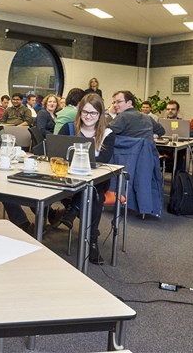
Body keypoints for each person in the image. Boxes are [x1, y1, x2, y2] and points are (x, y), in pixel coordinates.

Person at [57, 93, 115, 265]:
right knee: (93, 197)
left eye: (93, 113)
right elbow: (56, 154)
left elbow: (102, 161)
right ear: (79, 112)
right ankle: (92, 240)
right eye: (85, 112)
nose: (88, 117)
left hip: (96, 180)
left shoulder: (107, 134)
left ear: (100, 115)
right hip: (68, 178)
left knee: (94, 192)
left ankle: (74, 210)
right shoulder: (68, 128)